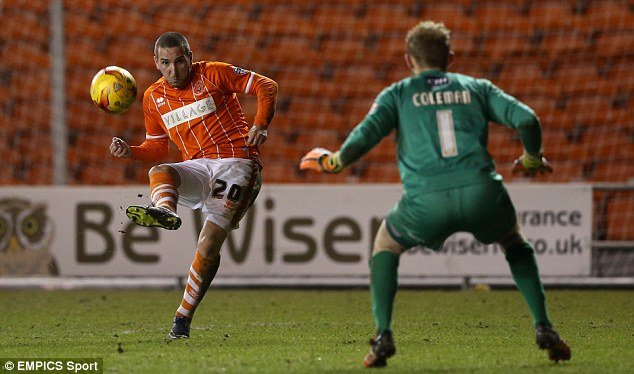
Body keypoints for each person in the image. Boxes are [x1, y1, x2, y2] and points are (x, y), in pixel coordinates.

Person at [299, 21, 570, 368]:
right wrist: (532, 158)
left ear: (409, 61)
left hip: (426, 202)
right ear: (450, 58)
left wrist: (333, 163)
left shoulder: (397, 94)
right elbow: (528, 120)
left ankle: (383, 334)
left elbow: (364, 137)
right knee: (514, 241)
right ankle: (544, 326)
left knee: (386, 244)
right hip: (481, 193)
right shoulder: (477, 88)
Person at [110, 31, 278, 340]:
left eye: (180, 61)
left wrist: (260, 125)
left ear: (190, 57)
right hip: (198, 165)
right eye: (166, 63)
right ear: (156, 63)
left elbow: (267, 85)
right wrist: (130, 151)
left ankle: (182, 319)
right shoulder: (153, 98)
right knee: (160, 170)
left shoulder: (214, 73)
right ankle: (164, 210)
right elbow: (157, 149)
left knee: (208, 242)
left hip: (237, 163)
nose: (174, 70)